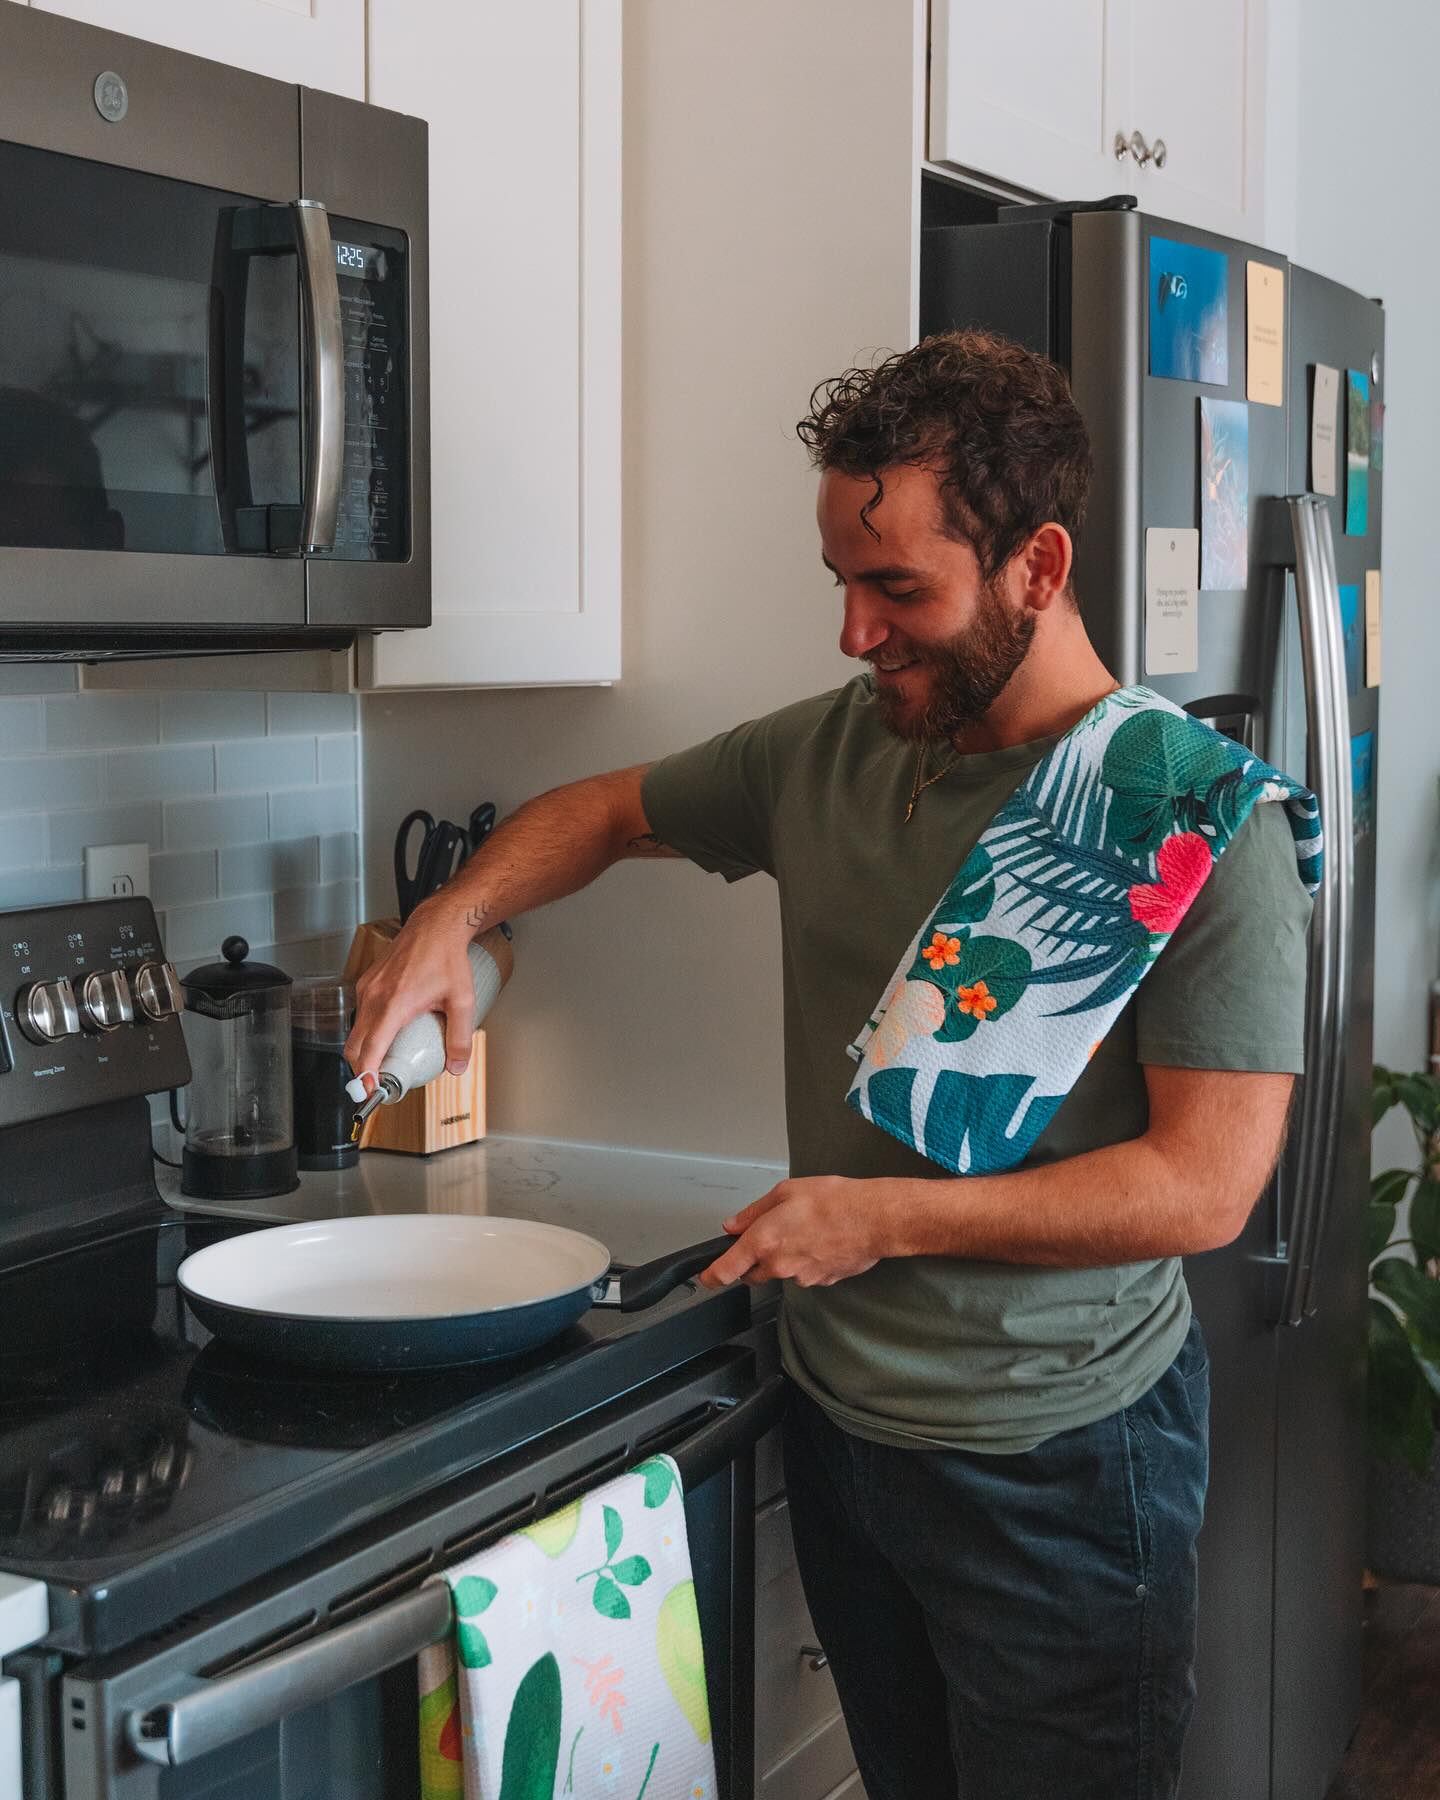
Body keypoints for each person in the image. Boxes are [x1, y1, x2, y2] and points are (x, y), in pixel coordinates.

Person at [344, 329, 1312, 1800]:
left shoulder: (1193, 822)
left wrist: (880, 1214)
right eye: (843, 587)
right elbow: (604, 810)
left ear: (1037, 569)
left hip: (1060, 1462)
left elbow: (1203, 1189)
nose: (856, 636)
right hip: (846, 1437)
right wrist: (451, 913)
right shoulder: (834, 753)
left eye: (899, 590)